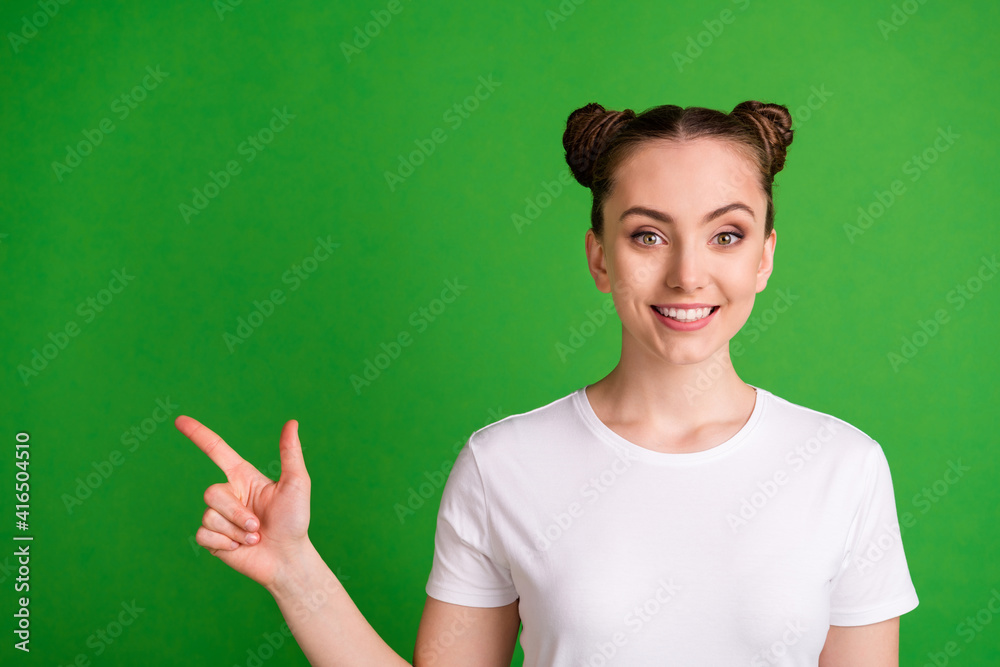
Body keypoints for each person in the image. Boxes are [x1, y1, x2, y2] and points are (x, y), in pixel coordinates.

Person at [178, 100, 919, 665]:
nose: (688, 274)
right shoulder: (504, 464)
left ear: (764, 256)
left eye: (726, 234)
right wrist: (294, 571)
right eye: (647, 234)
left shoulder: (841, 465)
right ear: (600, 257)